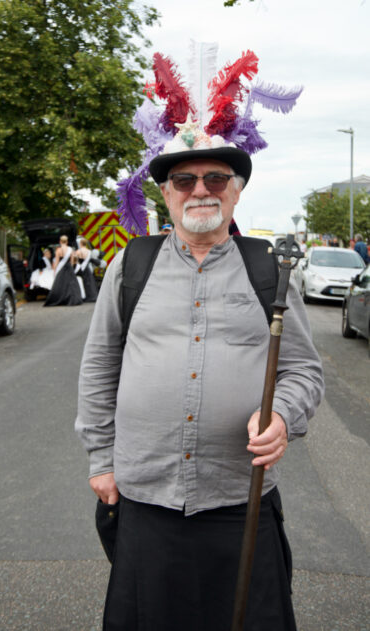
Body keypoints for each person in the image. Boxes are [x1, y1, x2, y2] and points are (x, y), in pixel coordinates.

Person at [76, 49, 323, 630]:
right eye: (184, 179)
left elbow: (305, 372)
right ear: (165, 194)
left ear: (236, 190)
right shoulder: (129, 266)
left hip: (240, 502)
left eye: (216, 177)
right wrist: (100, 460)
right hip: (144, 498)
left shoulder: (270, 269)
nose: (200, 189)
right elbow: (99, 367)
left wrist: (283, 416)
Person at [44, 235, 82, 306]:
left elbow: (56, 262)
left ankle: (61, 299)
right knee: (71, 284)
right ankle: (72, 299)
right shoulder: (70, 249)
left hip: (61, 269)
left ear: (60, 241)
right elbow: (71, 262)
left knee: (60, 284)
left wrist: (55, 271)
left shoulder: (58, 250)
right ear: (67, 242)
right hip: (69, 268)